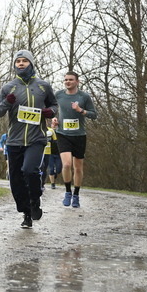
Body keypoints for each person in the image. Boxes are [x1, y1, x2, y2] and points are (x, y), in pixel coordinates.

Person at [0, 50, 57, 229]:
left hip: (36, 138)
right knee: (16, 180)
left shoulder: (43, 86)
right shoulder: (8, 88)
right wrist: (7, 102)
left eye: (24, 61)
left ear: (31, 64)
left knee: (29, 170)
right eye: (18, 61)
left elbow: (54, 104)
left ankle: (35, 200)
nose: (21, 63)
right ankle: (26, 212)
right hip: (14, 140)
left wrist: (50, 112)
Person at [54, 71, 97, 208]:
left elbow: (94, 114)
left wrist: (81, 110)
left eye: (71, 79)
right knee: (66, 164)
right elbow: (52, 109)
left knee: (78, 167)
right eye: (66, 79)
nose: (68, 82)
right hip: (63, 134)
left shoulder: (84, 97)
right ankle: (68, 192)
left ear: (77, 82)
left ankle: (76, 195)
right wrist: (54, 119)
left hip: (79, 135)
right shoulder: (58, 95)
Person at [42, 123, 61, 189]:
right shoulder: (49, 132)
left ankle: (55, 174)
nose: (54, 126)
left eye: (56, 125)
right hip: (50, 153)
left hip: (58, 154)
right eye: (53, 124)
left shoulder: (60, 133)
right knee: (50, 169)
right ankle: (52, 184)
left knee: (59, 169)